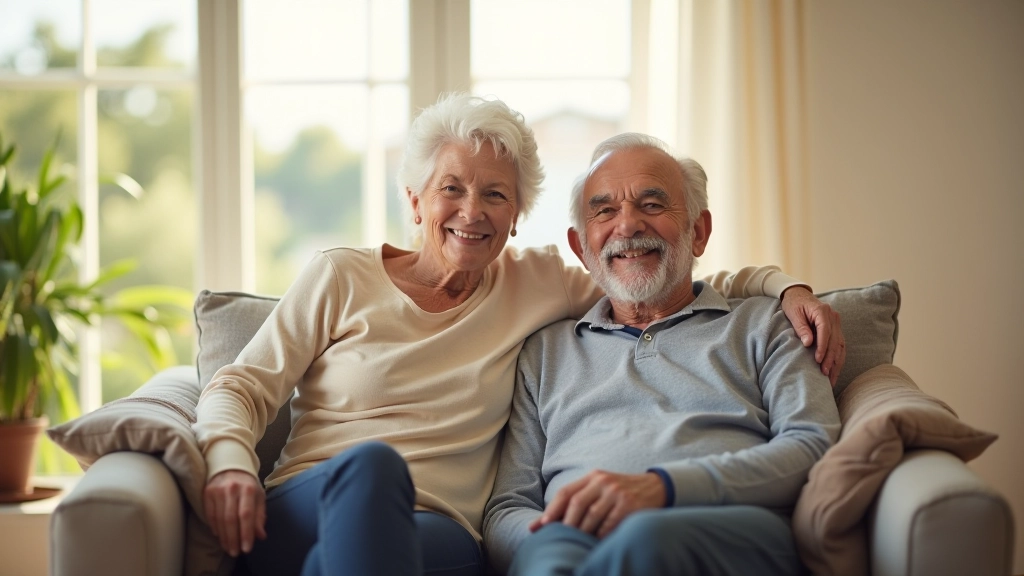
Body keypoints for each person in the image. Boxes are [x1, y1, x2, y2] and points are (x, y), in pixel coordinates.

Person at [194, 96, 845, 576]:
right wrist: (227, 464)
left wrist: (782, 286)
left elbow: (655, 274)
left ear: (515, 217)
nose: (472, 211)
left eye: (495, 196)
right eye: (451, 188)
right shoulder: (343, 275)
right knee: (370, 470)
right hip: (319, 497)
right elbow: (241, 386)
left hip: (438, 530)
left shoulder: (537, 288)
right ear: (416, 200)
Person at [483, 133, 843, 576]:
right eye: (605, 210)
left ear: (699, 232)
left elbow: (812, 446)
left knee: (644, 540)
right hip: (572, 540)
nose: (628, 225)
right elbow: (507, 507)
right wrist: (556, 529)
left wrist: (662, 489)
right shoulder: (544, 352)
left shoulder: (768, 324)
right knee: (548, 559)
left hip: (727, 530)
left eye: (652, 205)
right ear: (582, 248)